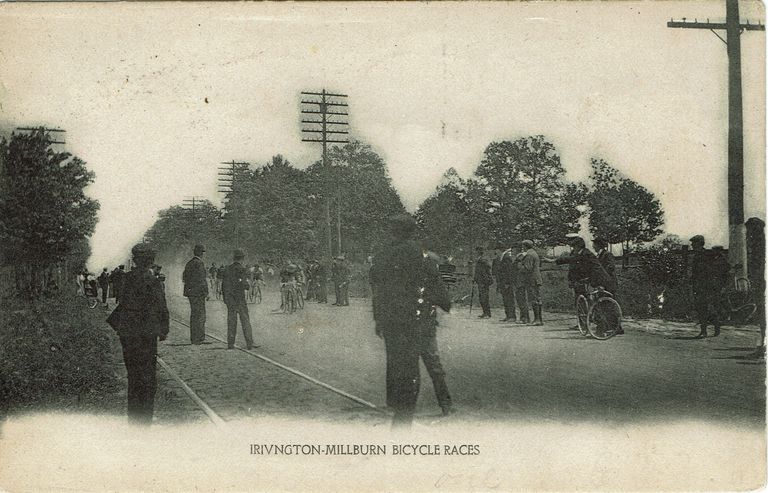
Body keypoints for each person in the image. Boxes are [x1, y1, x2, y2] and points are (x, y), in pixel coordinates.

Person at [370, 215, 453, 428]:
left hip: (391, 321)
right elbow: (437, 288)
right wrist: (444, 303)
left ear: (392, 231)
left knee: (396, 363)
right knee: (428, 362)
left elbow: (377, 290)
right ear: (413, 231)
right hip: (419, 320)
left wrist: (379, 319)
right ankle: (432, 407)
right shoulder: (422, 256)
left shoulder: (382, 256)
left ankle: (397, 406)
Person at [109, 243, 169, 425]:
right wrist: (164, 329)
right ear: (151, 261)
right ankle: (145, 420)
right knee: (148, 377)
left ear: (135, 260)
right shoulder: (153, 281)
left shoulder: (126, 279)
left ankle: (134, 419)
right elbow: (161, 306)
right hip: (146, 334)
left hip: (128, 333)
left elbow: (122, 302)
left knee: (133, 375)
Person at [689, 235, 727, 338]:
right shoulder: (696, 256)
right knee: (701, 308)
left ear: (700, 243)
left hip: (707, 286)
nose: (692, 245)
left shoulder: (708, 254)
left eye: (694, 243)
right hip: (698, 286)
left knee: (706, 308)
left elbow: (722, 266)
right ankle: (712, 327)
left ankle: (707, 330)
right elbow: (696, 271)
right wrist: (692, 280)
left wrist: (716, 281)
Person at [222, 249, 255, 350]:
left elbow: (224, 285)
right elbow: (244, 284)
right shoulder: (242, 269)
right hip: (240, 299)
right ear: (242, 259)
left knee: (231, 321)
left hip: (230, 299)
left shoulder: (227, 269)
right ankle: (249, 343)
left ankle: (230, 343)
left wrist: (226, 299)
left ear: (234, 258)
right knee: (245, 320)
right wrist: (247, 285)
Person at [182, 244, 208, 345]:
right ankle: (200, 338)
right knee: (201, 315)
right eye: (203, 252)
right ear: (201, 253)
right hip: (198, 293)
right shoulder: (199, 263)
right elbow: (202, 279)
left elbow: (184, 277)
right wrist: (206, 292)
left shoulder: (189, 263)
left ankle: (194, 338)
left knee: (194, 315)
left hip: (191, 293)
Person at [517, 240, 543, 326]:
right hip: (535, 279)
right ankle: (539, 319)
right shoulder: (534, 253)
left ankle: (537, 320)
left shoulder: (529, 255)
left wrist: (519, 264)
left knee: (534, 299)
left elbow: (527, 268)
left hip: (532, 280)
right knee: (537, 299)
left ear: (525, 246)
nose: (522, 248)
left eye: (523, 246)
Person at [498, 246, 518, 322]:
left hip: (506, 282)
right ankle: (508, 315)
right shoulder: (504, 256)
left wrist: (507, 282)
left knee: (509, 299)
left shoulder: (506, 257)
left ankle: (512, 316)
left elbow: (509, 271)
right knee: (506, 299)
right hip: (503, 281)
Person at [473, 247, 493, 318]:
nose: (475, 253)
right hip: (480, 281)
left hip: (484, 281)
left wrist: (484, 280)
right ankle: (485, 312)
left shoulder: (483, 260)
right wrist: (475, 278)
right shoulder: (479, 260)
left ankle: (487, 313)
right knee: (482, 297)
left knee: (484, 297)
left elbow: (485, 271)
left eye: (477, 252)